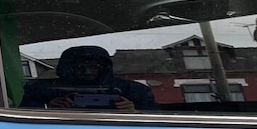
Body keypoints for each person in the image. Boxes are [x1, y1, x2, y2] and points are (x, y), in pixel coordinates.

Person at [21, 45, 157, 111]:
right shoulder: (42, 90)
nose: (87, 72)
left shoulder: (133, 91)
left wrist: (134, 111)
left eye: (93, 66)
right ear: (68, 68)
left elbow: (155, 123)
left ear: (103, 68)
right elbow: (22, 120)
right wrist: (46, 108)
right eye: (81, 67)